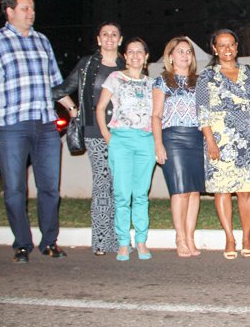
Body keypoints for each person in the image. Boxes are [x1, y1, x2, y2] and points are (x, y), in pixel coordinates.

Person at [0, 0, 77, 263]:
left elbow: (56, 84)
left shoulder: (42, 41)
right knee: (15, 189)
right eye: (25, 9)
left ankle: (49, 242)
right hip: (11, 126)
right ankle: (22, 243)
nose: (31, 13)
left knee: (50, 188)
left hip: (45, 125)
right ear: (9, 11)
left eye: (32, 8)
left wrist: (72, 108)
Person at [53, 22, 125, 256]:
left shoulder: (128, 64)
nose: (109, 38)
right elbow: (63, 89)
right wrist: (73, 110)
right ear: (98, 39)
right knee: (103, 183)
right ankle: (102, 241)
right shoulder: (87, 65)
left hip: (124, 133)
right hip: (95, 131)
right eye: (105, 34)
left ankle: (119, 238)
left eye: (114, 35)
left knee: (121, 187)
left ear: (120, 40)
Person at [196, 30, 250, 259]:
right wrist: (210, 141)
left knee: (246, 191)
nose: (227, 49)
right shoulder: (207, 76)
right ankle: (229, 237)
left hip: (245, 136)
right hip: (219, 138)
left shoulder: (248, 72)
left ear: (237, 47)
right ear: (214, 49)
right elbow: (202, 111)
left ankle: (246, 236)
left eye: (231, 45)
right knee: (222, 190)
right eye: (221, 45)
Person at [96, 38, 154, 261]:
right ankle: (123, 242)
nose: (136, 55)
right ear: (125, 56)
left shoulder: (152, 83)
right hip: (120, 139)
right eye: (131, 52)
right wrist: (107, 136)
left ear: (146, 57)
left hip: (145, 140)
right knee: (122, 194)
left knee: (140, 194)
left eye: (140, 52)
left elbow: (157, 116)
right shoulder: (115, 78)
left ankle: (140, 241)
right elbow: (100, 108)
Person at [152, 36, 205, 258]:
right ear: (170, 56)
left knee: (194, 192)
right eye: (180, 51)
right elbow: (155, 115)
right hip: (173, 138)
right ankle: (180, 238)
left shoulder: (199, 81)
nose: (184, 55)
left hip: (196, 137)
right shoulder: (162, 81)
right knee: (180, 191)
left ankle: (190, 238)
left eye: (188, 51)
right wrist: (158, 144)